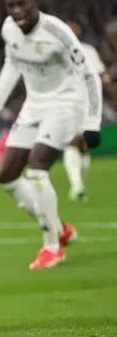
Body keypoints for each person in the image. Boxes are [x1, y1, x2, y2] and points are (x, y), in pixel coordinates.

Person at [0, 0, 103, 269]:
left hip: (65, 102)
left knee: (36, 169)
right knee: (7, 176)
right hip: (34, 104)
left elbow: (89, 74)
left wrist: (92, 122)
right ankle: (59, 227)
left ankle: (52, 246)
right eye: (11, 5)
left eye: (22, 4)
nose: (17, 11)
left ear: (34, 3)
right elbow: (12, 63)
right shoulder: (9, 29)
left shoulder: (57, 32)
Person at [61, 20, 107, 202]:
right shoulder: (87, 50)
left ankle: (77, 184)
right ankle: (77, 185)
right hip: (79, 104)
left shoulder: (63, 52)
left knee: (79, 144)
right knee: (77, 144)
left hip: (77, 103)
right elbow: (102, 77)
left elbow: (102, 76)